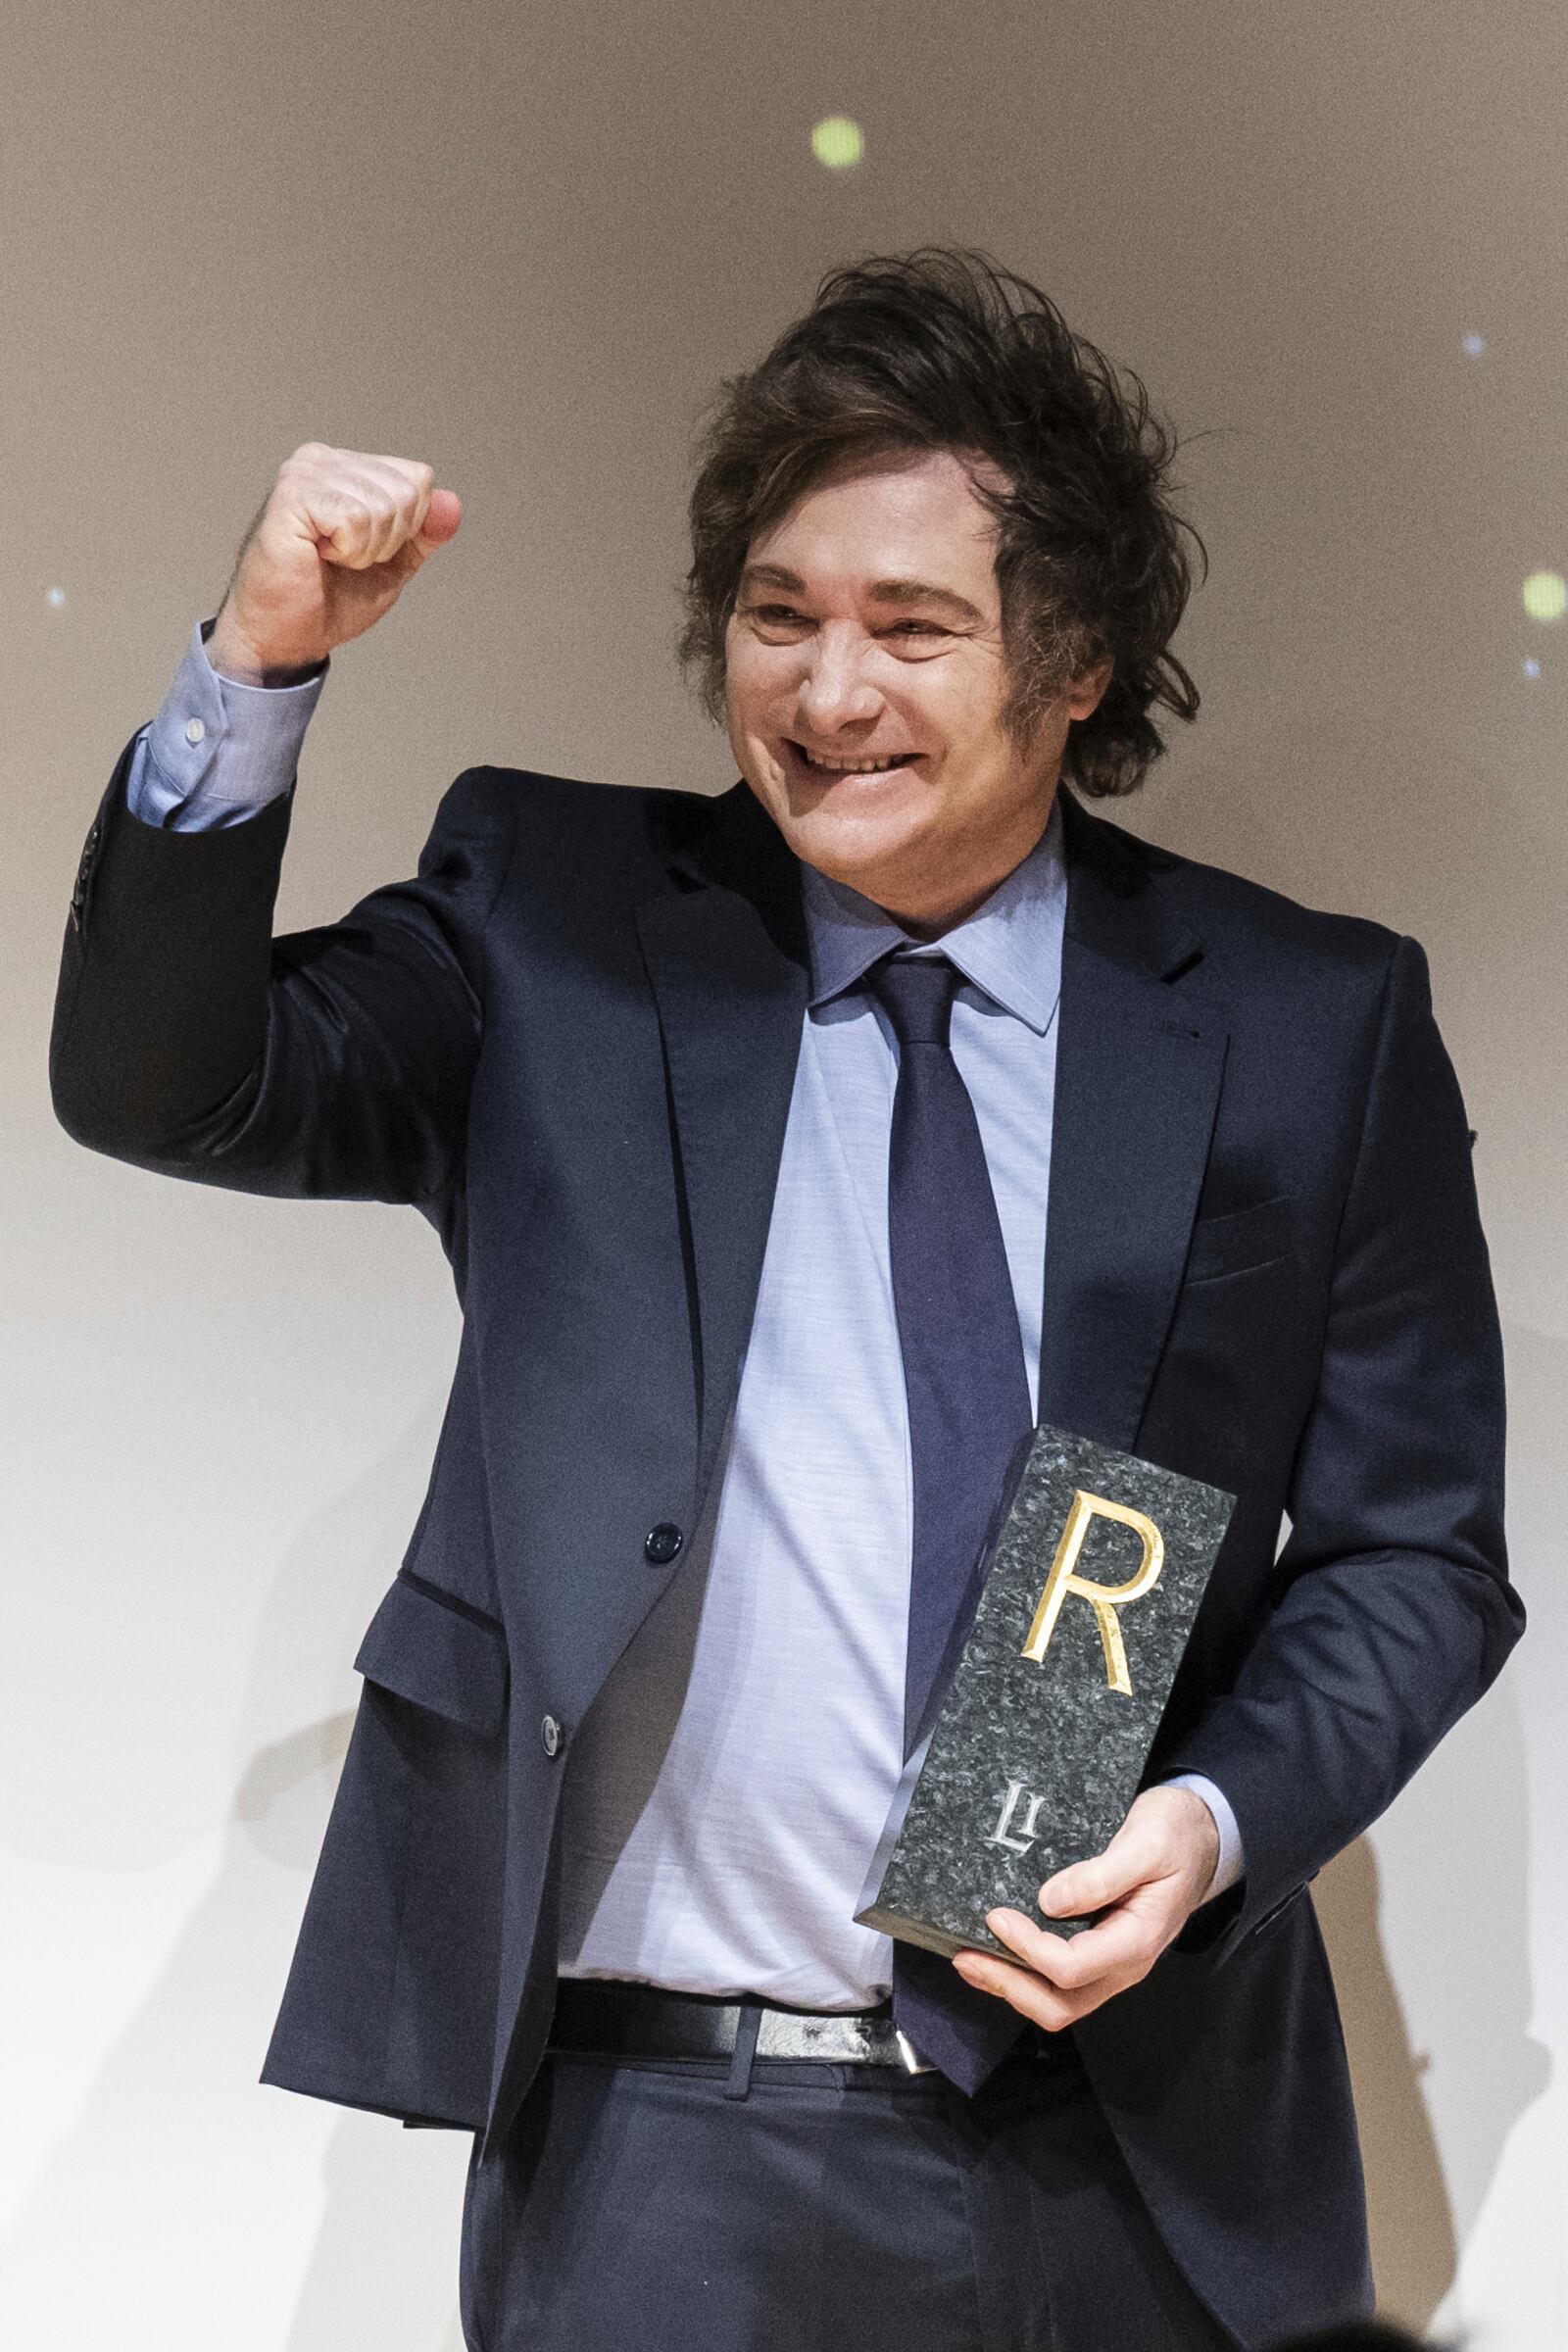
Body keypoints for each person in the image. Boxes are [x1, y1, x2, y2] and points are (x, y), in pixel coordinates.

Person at [49, 251, 1520, 2352]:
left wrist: (1207, 1827)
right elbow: (162, 1084)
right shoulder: (557, 928)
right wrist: (256, 665)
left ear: (1076, 659)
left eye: (910, 630)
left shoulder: (1301, 1020)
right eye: (776, 618)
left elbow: (1410, 1561)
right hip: (658, 2145)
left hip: (1124, 2138)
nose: (826, 696)